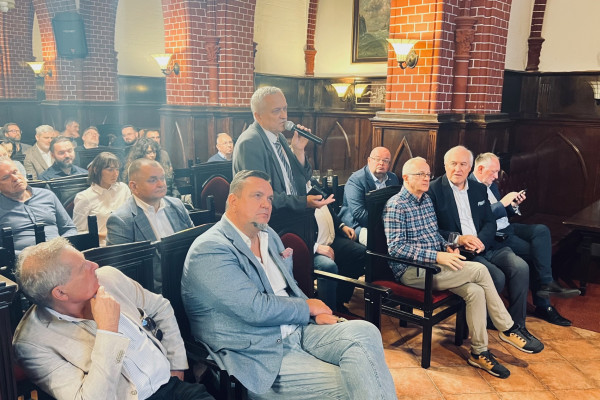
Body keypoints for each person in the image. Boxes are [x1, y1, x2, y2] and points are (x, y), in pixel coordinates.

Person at [181, 170, 396, 399]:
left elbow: (288, 287)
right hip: (258, 351)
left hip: (298, 329)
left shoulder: (268, 234)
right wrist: (307, 307)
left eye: (269, 198)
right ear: (233, 201)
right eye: (257, 196)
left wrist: (311, 314)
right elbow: (254, 308)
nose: (266, 204)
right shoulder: (210, 249)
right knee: (354, 385)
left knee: (366, 333)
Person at [383, 156, 544, 379]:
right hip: (412, 271)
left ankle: (478, 353)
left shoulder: (426, 200)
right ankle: (508, 328)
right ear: (406, 178)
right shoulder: (396, 205)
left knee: (475, 291)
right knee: (479, 270)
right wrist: (437, 256)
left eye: (428, 174)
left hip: (434, 264)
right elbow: (396, 248)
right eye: (420, 174)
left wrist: (449, 246)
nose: (426, 178)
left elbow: (433, 235)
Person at [12, 237, 214, 400]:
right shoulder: (32, 344)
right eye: (83, 267)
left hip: (174, 386)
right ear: (61, 293)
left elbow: (161, 307)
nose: (95, 265)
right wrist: (108, 330)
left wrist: (176, 364)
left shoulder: (108, 278)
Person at [428, 146, 531, 331]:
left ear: (470, 168)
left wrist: (481, 241)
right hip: (460, 249)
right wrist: (460, 239)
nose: (457, 169)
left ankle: (517, 324)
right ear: (445, 165)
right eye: (453, 164)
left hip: (487, 245)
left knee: (520, 268)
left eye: (463, 164)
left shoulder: (478, 188)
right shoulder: (433, 190)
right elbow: (432, 230)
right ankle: (489, 321)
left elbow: (490, 222)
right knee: (497, 277)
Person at [471, 152, 580, 325]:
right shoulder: (469, 187)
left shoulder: (490, 184)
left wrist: (513, 205)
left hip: (507, 227)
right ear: (480, 169)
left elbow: (503, 213)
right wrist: (503, 203)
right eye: (494, 172)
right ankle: (544, 304)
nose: (497, 177)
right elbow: (478, 218)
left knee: (541, 230)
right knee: (538, 255)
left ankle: (547, 283)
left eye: (498, 172)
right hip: (496, 236)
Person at [232, 86, 334, 212]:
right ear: (258, 116)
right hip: (272, 218)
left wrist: (299, 151)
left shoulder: (280, 137)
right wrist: (303, 202)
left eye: (285, 109)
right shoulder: (250, 143)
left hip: (294, 214)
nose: (284, 116)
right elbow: (259, 194)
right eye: (276, 111)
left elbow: (304, 178)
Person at [106, 158, 193, 290]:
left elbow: (194, 246)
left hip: (188, 280)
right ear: (134, 186)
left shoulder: (177, 206)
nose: (161, 184)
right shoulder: (121, 220)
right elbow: (122, 273)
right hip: (153, 290)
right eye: (152, 180)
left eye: (162, 178)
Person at [0, 157, 76, 252]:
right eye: (6, 177)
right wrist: (27, 256)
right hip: (21, 259)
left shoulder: (47, 195)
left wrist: (60, 248)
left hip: (59, 252)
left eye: (15, 172)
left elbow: (69, 229)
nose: (15, 178)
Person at [311, 182, 365, 312]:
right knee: (328, 266)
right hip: (311, 247)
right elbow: (291, 230)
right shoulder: (294, 193)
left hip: (331, 240)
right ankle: (328, 310)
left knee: (360, 253)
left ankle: (338, 300)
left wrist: (342, 226)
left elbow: (329, 210)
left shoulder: (313, 183)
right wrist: (315, 247)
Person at [339, 146, 400, 245]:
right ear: (369, 161)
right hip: (356, 224)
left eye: (385, 160)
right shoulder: (356, 180)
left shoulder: (393, 178)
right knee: (380, 243)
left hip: (384, 222)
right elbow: (359, 213)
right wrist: (384, 226)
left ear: (389, 164)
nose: (381, 163)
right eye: (377, 159)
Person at [72, 152, 131, 246]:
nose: (115, 174)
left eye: (117, 169)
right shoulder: (84, 197)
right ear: (96, 170)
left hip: (126, 241)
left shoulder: (123, 188)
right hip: (101, 245)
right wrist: (104, 234)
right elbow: (79, 232)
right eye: (110, 170)